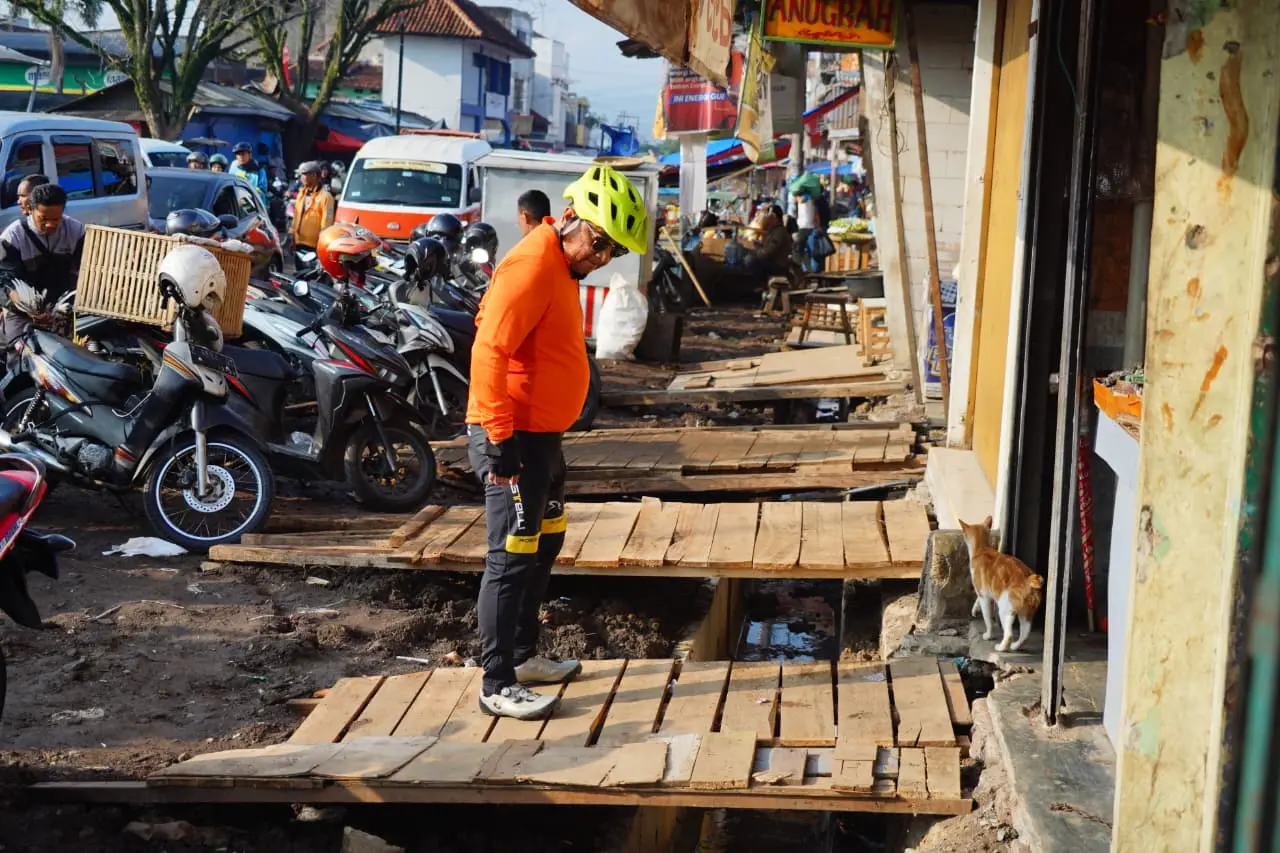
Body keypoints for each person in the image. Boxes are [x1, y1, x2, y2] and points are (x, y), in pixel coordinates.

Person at [466, 163, 648, 721]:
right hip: (510, 434)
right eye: (599, 244)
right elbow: (489, 353)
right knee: (511, 554)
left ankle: (522, 656)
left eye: (611, 252)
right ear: (573, 221)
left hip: (543, 435)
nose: (600, 259)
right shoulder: (530, 266)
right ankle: (496, 680)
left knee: (544, 542)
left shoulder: (560, 267)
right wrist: (500, 441)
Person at [0, 183, 87, 346]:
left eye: (56, 219)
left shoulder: (76, 230)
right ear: (30, 210)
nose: (50, 224)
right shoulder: (13, 237)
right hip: (22, 311)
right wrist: (29, 309)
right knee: (20, 355)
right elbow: (6, 280)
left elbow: (86, 269)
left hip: (64, 308)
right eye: (43, 219)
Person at [290, 161, 335, 265]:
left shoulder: (326, 197)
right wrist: (291, 235)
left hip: (314, 245)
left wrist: (322, 244)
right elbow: (296, 216)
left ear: (314, 175)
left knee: (311, 276)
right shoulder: (301, 193)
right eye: (302, 174)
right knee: (300, 274)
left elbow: (326, 224)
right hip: (299, 242)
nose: (302, 177)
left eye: (305, 174)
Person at [745, 204, 792, 278]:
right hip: (771, 261)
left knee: (753, 262)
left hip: (778, 265)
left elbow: (768, 252)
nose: (767, 219)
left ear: (775, 218)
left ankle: (760, 285)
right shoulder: (773, 230)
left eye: (770, 217)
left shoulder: (779, 232)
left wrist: (754, 252)